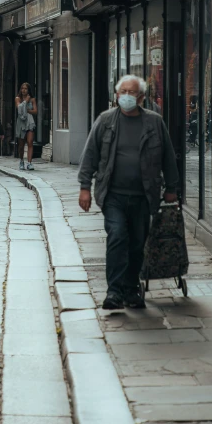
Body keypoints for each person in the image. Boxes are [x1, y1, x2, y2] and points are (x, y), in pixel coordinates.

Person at [78, 74, 180, 310]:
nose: (126, 96)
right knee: (117, 237)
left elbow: (168, 157)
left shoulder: (154, 123)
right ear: (116, 95)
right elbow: (90, 155)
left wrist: (171, 189)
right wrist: (85, 187)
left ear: (141, 97)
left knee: (136, 243)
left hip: (145, 196)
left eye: (131, 93)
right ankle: (114, 292)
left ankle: (131, 288)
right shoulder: (105, 121)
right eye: (122, 92)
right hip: (113, 194)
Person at [15, 83, 37, 171]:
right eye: (22, 88)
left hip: (29, 122)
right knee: (21, 145)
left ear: (28, 90)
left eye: (26, 89)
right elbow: (19, 109)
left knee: (30, 141)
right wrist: (26, 102)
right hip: (21, 122)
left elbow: (35, 111)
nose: (24, 90)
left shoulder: (32, 99)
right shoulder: (18, 98)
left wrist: (27, 110)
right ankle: (21, 161)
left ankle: (29, 163)